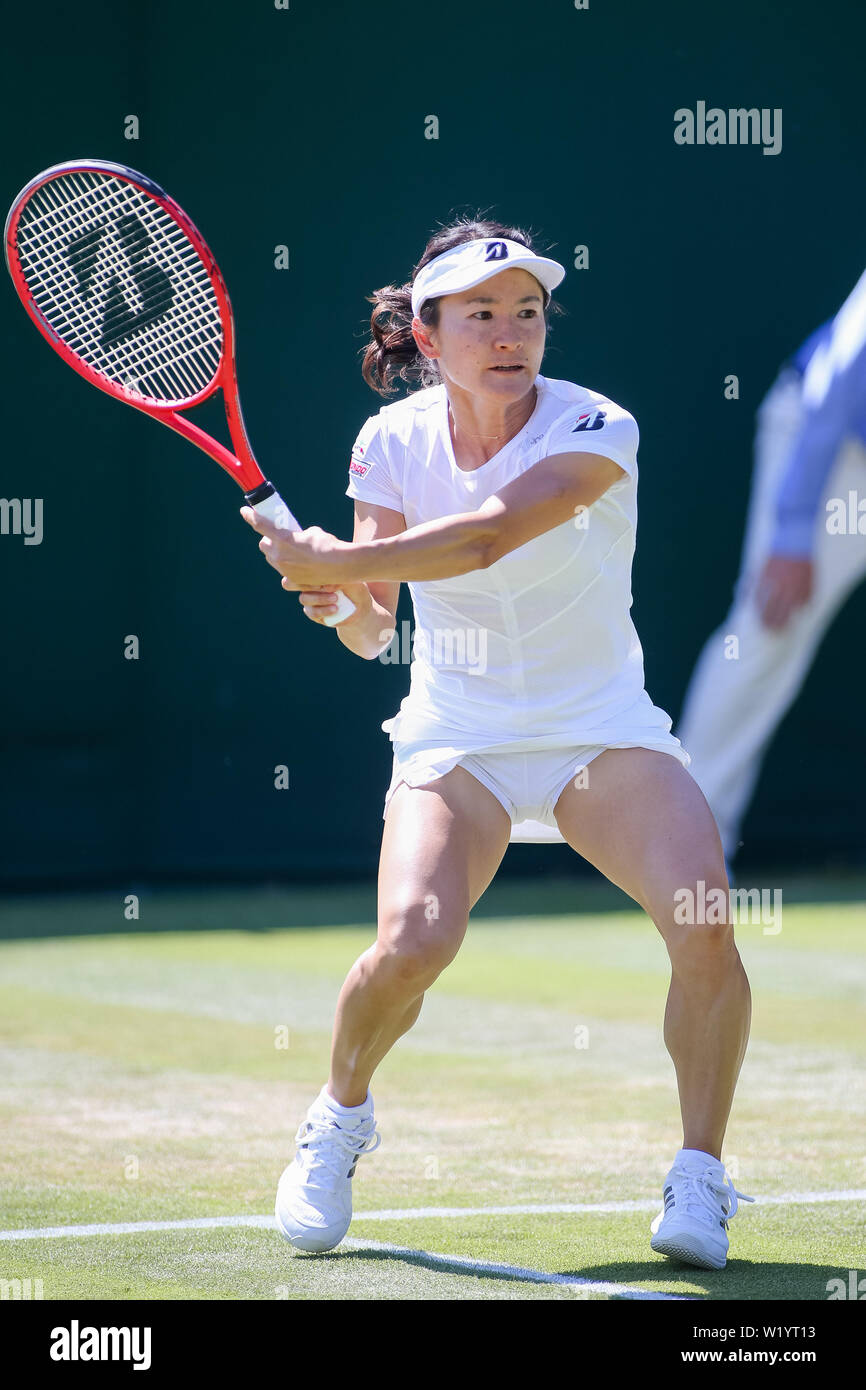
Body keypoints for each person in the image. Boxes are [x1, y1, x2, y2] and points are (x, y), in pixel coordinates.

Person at [241, 218, 753, 1272]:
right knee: (411, 945)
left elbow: (483, 536)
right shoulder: (388, 444)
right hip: (457, 735)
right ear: (428, 334)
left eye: (525, 310)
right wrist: (330, 594)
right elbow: (377, 624)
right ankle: (338, 1116)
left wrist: (329, 555)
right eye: (480, 313)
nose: (510, 332)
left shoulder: (595, 426)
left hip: (597, 729)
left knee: (703, 920)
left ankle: (698, 1173)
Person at [677, 271, 866, 870]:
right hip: (834, 456)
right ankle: (686, 848)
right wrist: (793, 531)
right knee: (767, 629)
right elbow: (834, 387)